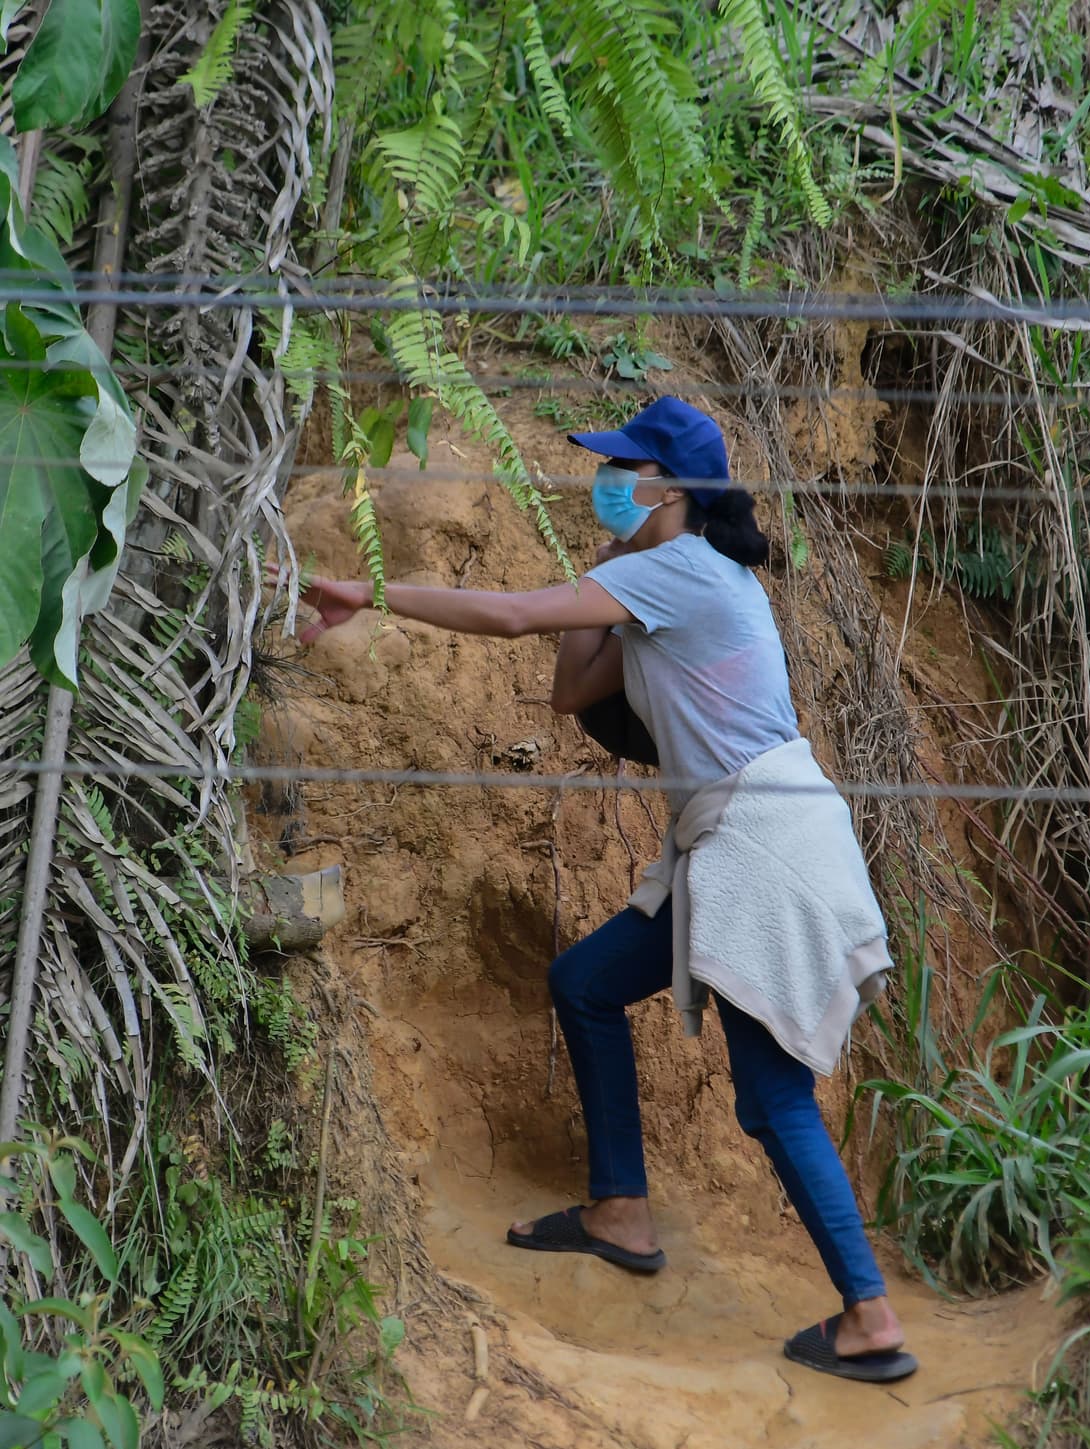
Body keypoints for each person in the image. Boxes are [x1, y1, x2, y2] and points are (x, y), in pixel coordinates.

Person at [284, 397, 916, 1382]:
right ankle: (619, 1208)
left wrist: (367, 592)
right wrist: (609, 565)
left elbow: (510, 616)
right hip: (731, 842)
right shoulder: (667, 579)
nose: (608, 480)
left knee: (770, 1096)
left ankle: (868, 1313)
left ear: (670, 487)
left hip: (761, 848)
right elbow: (570, 691)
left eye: (625, 467)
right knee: (585, 982)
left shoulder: (684, 569)